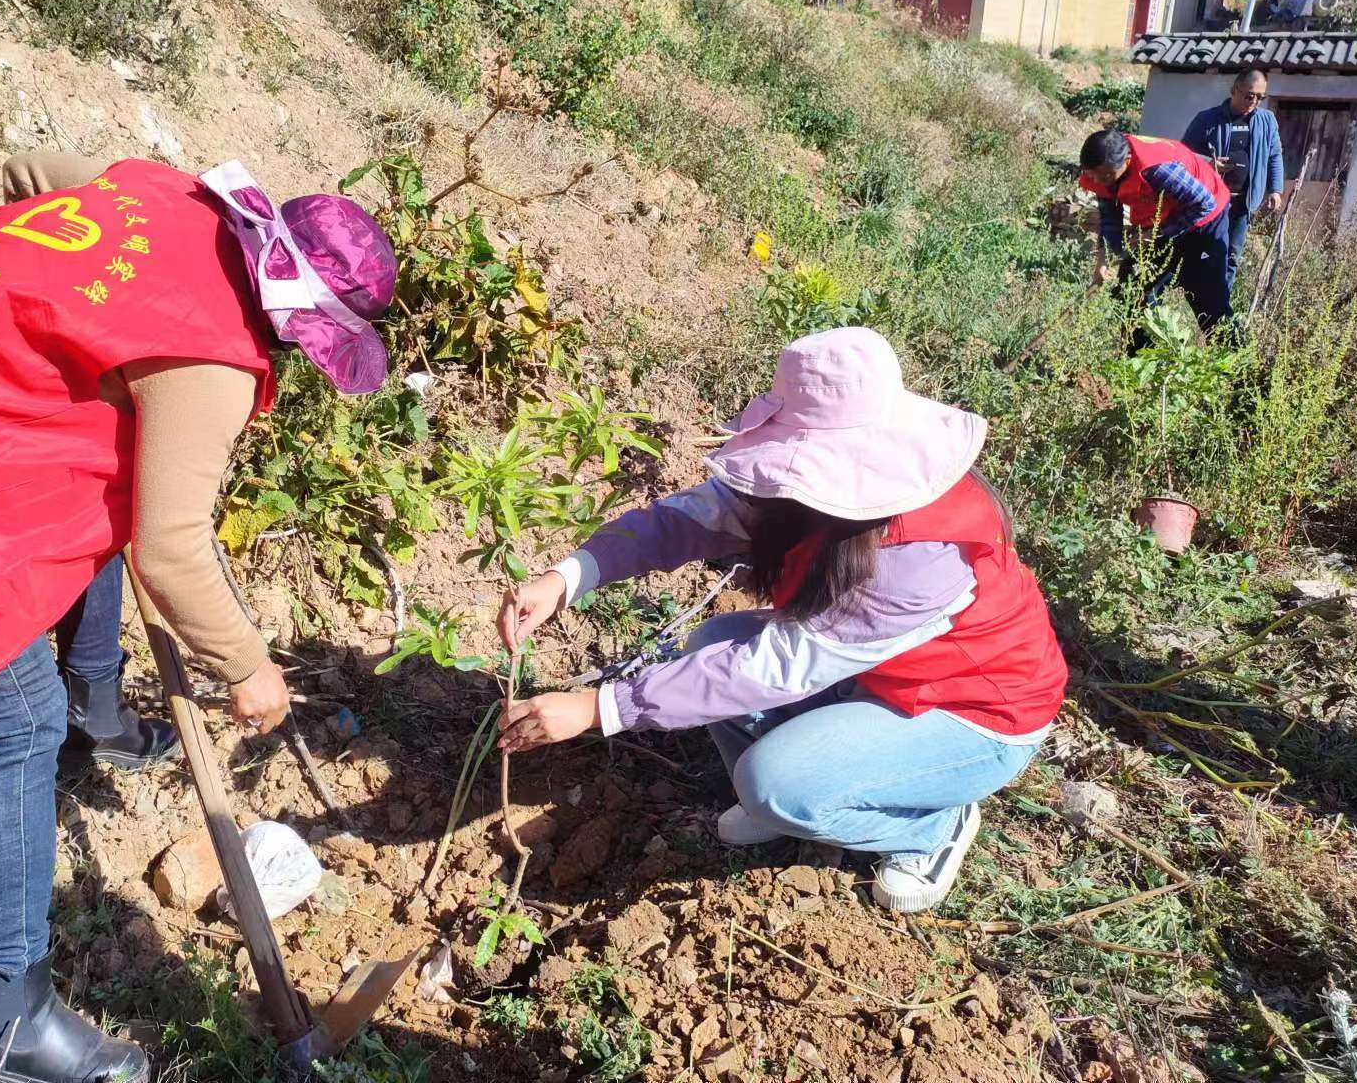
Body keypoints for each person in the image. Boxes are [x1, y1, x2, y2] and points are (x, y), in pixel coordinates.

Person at [0, 151, 397, 1082]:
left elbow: (30, 172)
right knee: (13, 720)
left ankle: (100, 715)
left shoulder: (163, 193)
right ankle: (9, 1022)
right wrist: (248, 667)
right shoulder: (209, 364)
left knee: (97, 484)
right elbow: (171, 550)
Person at [494, 328, 1067, 914]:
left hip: (977, 714)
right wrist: (569, 577)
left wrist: (599, 708)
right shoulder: (802, 497)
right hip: (884, 675)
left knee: (773, 783)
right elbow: (689, 520)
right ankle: (807, 790)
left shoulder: (920, 559)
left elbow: (773, 669)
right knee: (715, 641)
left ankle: (930, 826)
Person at [1077, 128, 1233, 345]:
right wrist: (1105, 260)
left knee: (1207, 298)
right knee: (1130, 289)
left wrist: (1156, 234)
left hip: (1205, 220)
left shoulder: (1158, 168)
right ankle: (1137, 361)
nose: (1100, 181)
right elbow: (1109, 218)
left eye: (1105, 176)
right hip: (1161, 218)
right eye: (1094, 175)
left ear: (1128, 160)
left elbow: (1203, 204)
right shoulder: (1099, 171)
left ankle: (1238, 369)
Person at [1181, 69, 1286, 294]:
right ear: (1234, 90)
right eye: (1250, 95)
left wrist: (1275, 189)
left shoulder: (1266, 121)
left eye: (1260, 97)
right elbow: (1185, 156)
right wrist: (1209, 164)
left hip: (1243, 204)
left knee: (1232, 256)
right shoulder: (1207, 120)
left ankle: (1221, 302)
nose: (1255, 101)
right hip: (1211, 203)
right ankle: (1195, 297)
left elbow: (1274, 155)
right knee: (1203, 252)